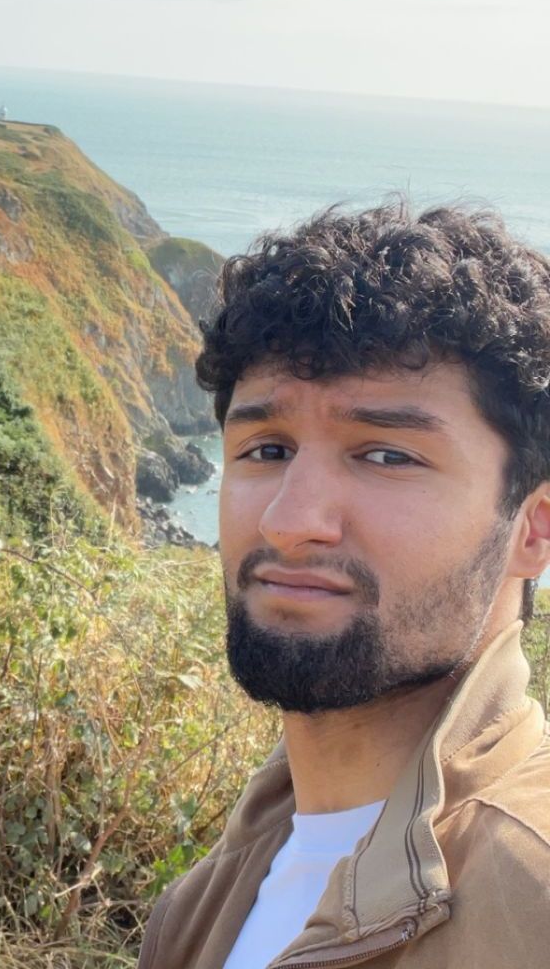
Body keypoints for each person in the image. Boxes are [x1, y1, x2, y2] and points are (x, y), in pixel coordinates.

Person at [138, 202, 550, 969]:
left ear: (534, 529)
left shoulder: (531, 896)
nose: (290, 522)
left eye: (387, 456)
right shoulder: (197, 909)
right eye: (266, 449)